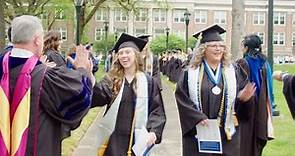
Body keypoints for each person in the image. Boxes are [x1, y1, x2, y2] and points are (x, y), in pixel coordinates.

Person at [0, 15, 95, 156]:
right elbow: (79, 97)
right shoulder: (46, 76)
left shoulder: (5, 70)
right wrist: (82, 70)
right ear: (38, 40)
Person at [175, 24, 255, 156]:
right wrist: (197, 117)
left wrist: (244, 99)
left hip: (226, 134)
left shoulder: (234, 71)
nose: (218, 49)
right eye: (213, 46)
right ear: (203, 49)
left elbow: (242, 102)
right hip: (199, 131)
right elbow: (181, 97)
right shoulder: (190, 73)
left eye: (221, 46)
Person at [91, 33, 166, 156]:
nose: (123, 56)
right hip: (113, 138)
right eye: (120, 53)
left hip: (138, 140)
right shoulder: (112, 79)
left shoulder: (148, 81)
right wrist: (90, 78)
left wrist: (154, 132)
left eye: (127, 52)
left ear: (136, 55)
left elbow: (157, 110)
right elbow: (98, 96)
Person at [237, 34, 275, 156]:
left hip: (248, 108)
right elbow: (269, 88)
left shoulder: (243, 63)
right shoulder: (265, 63)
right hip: (262, 109)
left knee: (245, 143)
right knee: (256, 145)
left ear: (247, 47)